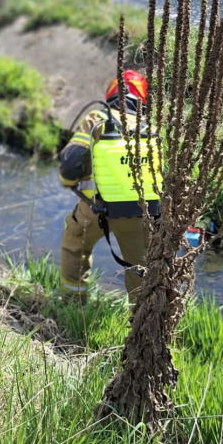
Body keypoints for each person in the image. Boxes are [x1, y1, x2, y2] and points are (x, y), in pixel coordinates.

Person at [58, 70, 162, 304]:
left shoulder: (97, 118)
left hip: (96, 208)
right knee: (139, 267)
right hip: (141, 213)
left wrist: (70, 183)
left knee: (75, 246)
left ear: (112, 92)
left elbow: (70, 165)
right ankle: (140, 321)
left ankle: (73, 304)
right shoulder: (152, 129)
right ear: (142, 98)